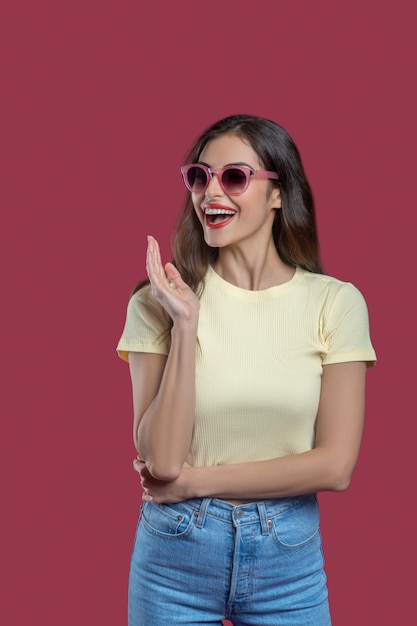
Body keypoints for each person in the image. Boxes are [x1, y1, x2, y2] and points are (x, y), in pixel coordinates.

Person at [116, 114, 376, 626]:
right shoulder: (159, 302)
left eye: (234, 176)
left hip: (288, 558)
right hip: (174, 555)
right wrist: (186, 326)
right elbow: (162, 462)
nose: (211, 191)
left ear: (279, 193)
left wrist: (196, 482)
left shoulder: (336, 304)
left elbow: (335, 467)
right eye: (199, 176)